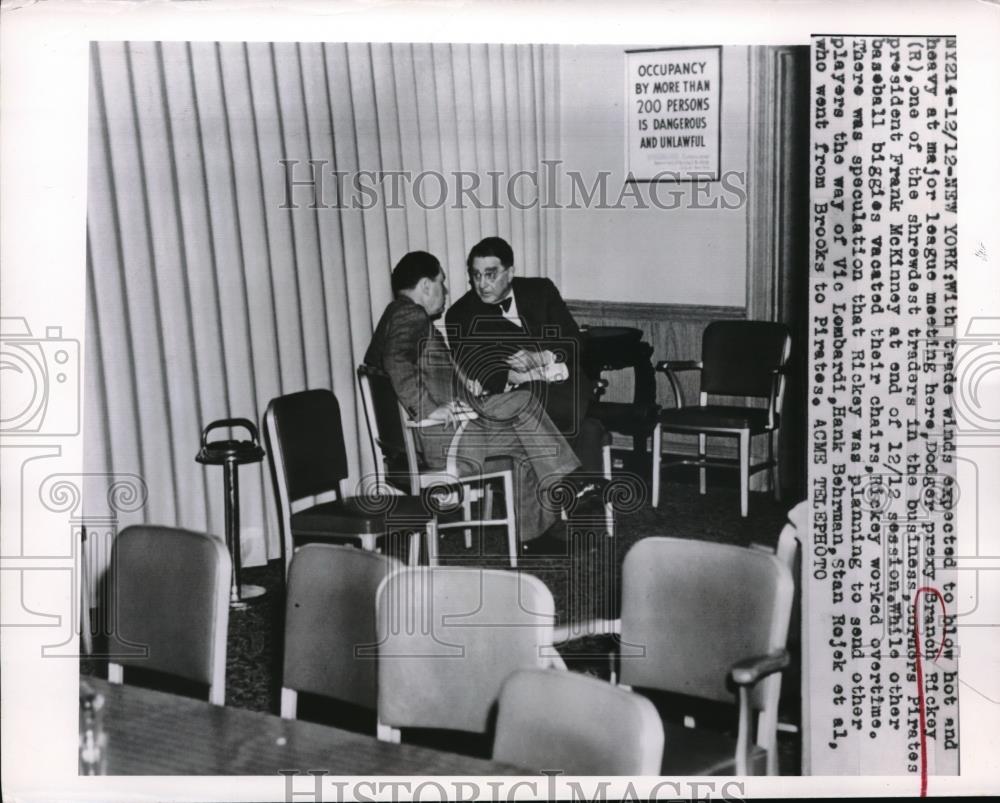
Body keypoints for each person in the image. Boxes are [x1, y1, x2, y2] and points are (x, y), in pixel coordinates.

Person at [365, 250, 583, 547]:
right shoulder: (409, 314)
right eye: (441, 282)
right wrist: (429, 408)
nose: (445, 290)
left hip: (430, 439)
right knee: (524, 402)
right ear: (426, 285)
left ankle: (534, 535)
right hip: (446, 439)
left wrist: (464, 386)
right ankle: (572, 482)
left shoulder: (391, 316)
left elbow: (411, 367)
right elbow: (395, 360)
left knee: (524, 438)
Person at [444, 236, 593, 443]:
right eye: (476, 275)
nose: (482, 284)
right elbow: (476, 366)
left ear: (510, 272)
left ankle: (567, 471)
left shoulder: (541, 291)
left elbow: (574, 340)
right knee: (584, 430)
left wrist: (541, 357)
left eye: (490, 275)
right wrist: (514, 376)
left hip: (566, 385)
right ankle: (571, 473)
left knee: (580, 424)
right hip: (517, 394)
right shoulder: (460, 314)